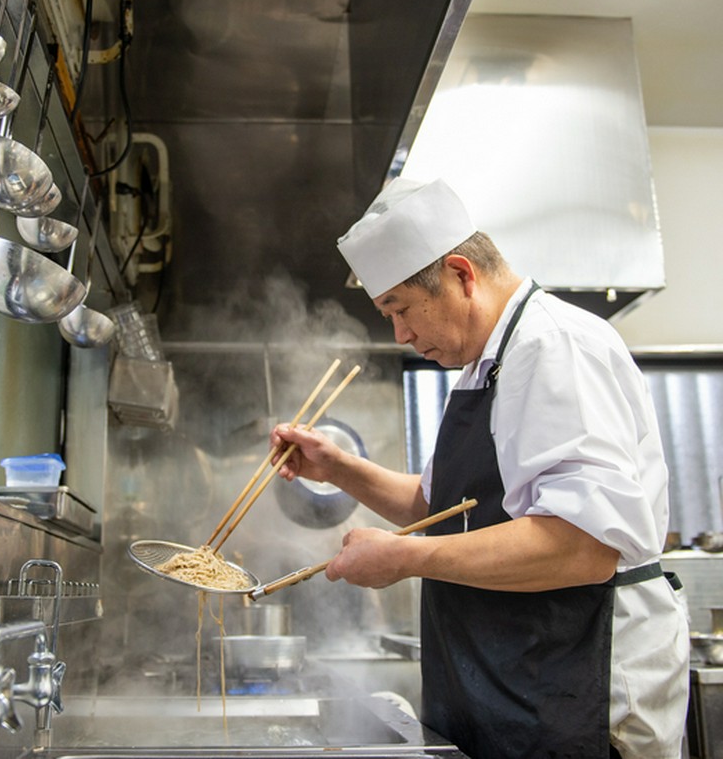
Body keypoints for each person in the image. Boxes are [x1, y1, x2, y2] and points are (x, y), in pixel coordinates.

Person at [269, 178, 689, 759]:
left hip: (579, 680)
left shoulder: (554, 347)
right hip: (520, 676)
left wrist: (405, 558)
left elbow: (583, 547)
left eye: (400, 310)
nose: (402, 334)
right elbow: (436, 508)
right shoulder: (486, 364)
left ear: (461, 275)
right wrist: (339, 468)